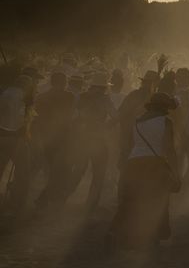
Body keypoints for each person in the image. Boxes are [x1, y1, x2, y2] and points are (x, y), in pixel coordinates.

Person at [108, 92, 179, 250]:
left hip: (133, 163)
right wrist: (176, 172)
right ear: (165, 108)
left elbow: (132, 145)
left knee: (130, 199)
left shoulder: (137, 122)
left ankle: (118, 232)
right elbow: (169, 149)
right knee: (158, 200)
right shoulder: (166, 122)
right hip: (155, 164)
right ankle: (152, 235)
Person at [67, 72, 117, 210]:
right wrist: (107, 126)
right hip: (98, 139)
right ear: (102, 87)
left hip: (83, 138)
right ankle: (90, 204)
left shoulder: (81, 97)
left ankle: (63, 196)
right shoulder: (105, 100)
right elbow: (115, 116)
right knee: (98, 173)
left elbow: (72, 117)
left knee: (78, 170)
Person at [33, 72, 76, 208]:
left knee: (54, 168)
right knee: (59, 169)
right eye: (64, 82)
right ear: (63, 82)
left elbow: (36, 118)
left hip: (47, 137)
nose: (65, 84)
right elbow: (69, 116)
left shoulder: (42, 97)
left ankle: (50, 197)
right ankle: (46, 198)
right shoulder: (69, 96)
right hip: (61, 137)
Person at [0, 74, 34, 215]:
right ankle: (17, 203)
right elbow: (25, 119)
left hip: (1, 135)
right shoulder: (26, 98)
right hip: (16, 138)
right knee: (23, 172)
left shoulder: (3, 93)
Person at [117, 70, 159, 168]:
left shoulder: (155, 98)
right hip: (131, 136)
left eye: (149, 83)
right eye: (146, 83)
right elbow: (122, 113)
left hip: (147, 139)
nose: (147, 85)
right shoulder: (134, 95)